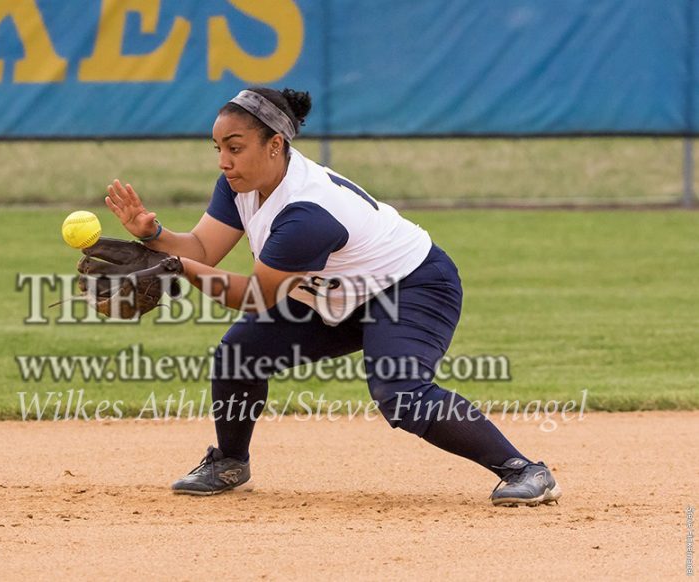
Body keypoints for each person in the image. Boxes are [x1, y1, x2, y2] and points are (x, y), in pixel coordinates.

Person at [103, 87, 561, 507]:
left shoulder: (306, 213)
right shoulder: (241, 185)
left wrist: (180, 269)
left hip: (411, 286)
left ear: (276, 145)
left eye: (235, 148)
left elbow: (257, 296)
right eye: (219, 149)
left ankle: (524, 470)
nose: (224, 160)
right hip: (335, 292)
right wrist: (157, 236)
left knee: (398, 390)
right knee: (239, 354)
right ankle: (229, 461)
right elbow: (203, 248)